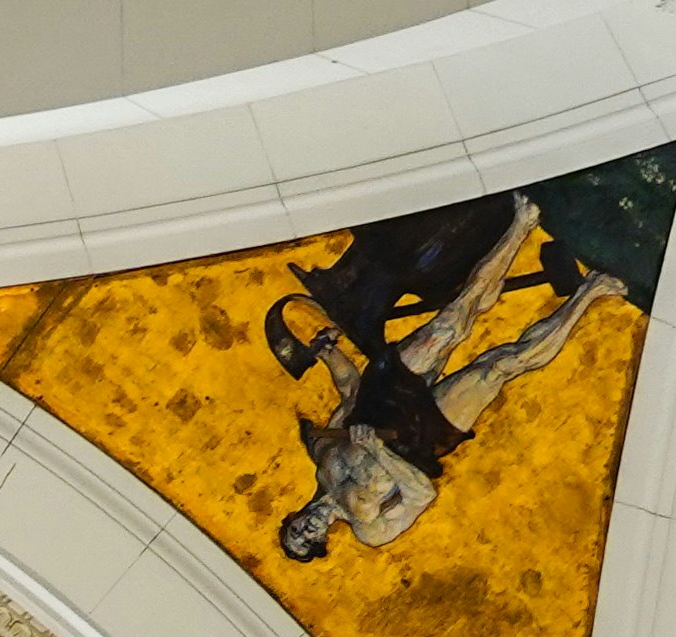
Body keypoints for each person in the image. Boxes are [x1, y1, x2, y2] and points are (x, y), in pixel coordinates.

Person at [264, 188, 621, 564]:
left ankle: (521, 223)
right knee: (498, 367)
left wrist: (329, 353)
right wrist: (378, 453)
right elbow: (422, 494)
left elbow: (351, 393)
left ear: (296, 515)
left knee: (450, 322)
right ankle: (589, 293)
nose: (307, 529)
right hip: (422, 437)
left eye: (296, 529)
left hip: (386, 395)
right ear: (322, 540)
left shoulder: (324, 459)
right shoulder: (369, 529)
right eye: (308, 539)